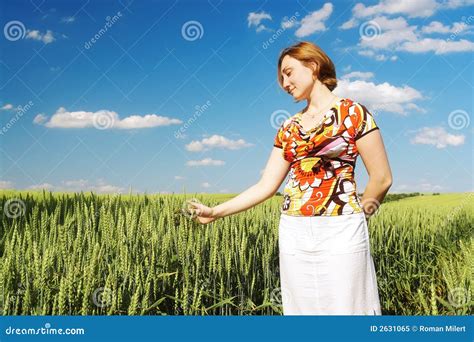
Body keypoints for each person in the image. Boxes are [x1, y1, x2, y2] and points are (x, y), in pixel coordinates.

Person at [186, 41, 392, 315]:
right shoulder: (288, 127)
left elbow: (381, 178)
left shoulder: (354, 113)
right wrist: (215, 212)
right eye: (281, 77)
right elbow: (267, 185)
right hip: (293, 231)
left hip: (342, 229)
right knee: (301, 310)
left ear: (313, 66)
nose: (284, 82)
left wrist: (356, 218)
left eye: (288, 72)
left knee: (349, 308)